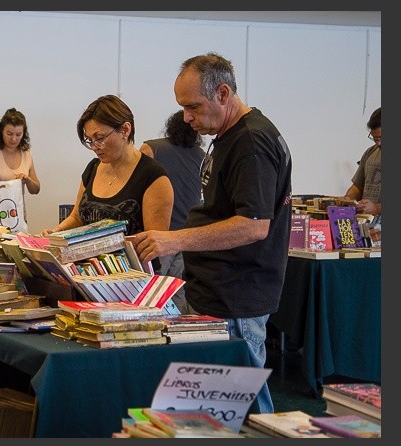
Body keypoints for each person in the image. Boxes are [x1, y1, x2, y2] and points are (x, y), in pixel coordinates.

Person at [128, 52, 292, 414]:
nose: (186, 118)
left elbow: (254, 225)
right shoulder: (229, 135)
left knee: (242, 406)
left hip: (237, 294)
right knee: (214, 408)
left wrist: (176, 239)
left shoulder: (251, 142)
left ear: (222, 93)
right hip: (219, 289)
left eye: (193, 107)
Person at [42, 95, 173, 274]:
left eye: (100, 137)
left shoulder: (153, 177)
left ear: (125, 130)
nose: (95, 146)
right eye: (90, 140)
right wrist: (55, 234)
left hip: (132, 277)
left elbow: (153, 243)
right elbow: (77, 217)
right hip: (91, 273)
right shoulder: (93, 168)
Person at [139, 110, 205, 314]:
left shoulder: (151, 148)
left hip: (158, 235)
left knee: (150, 293)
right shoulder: (203, 157)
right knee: (178, 293)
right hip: (187, 236)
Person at [344, 107, 381, 219]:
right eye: (375, 138)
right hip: (367, 225)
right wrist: (348, 199)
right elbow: (358, 186)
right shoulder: (370, 152)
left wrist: (378, 208)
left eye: (381, 138)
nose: (378, 143)